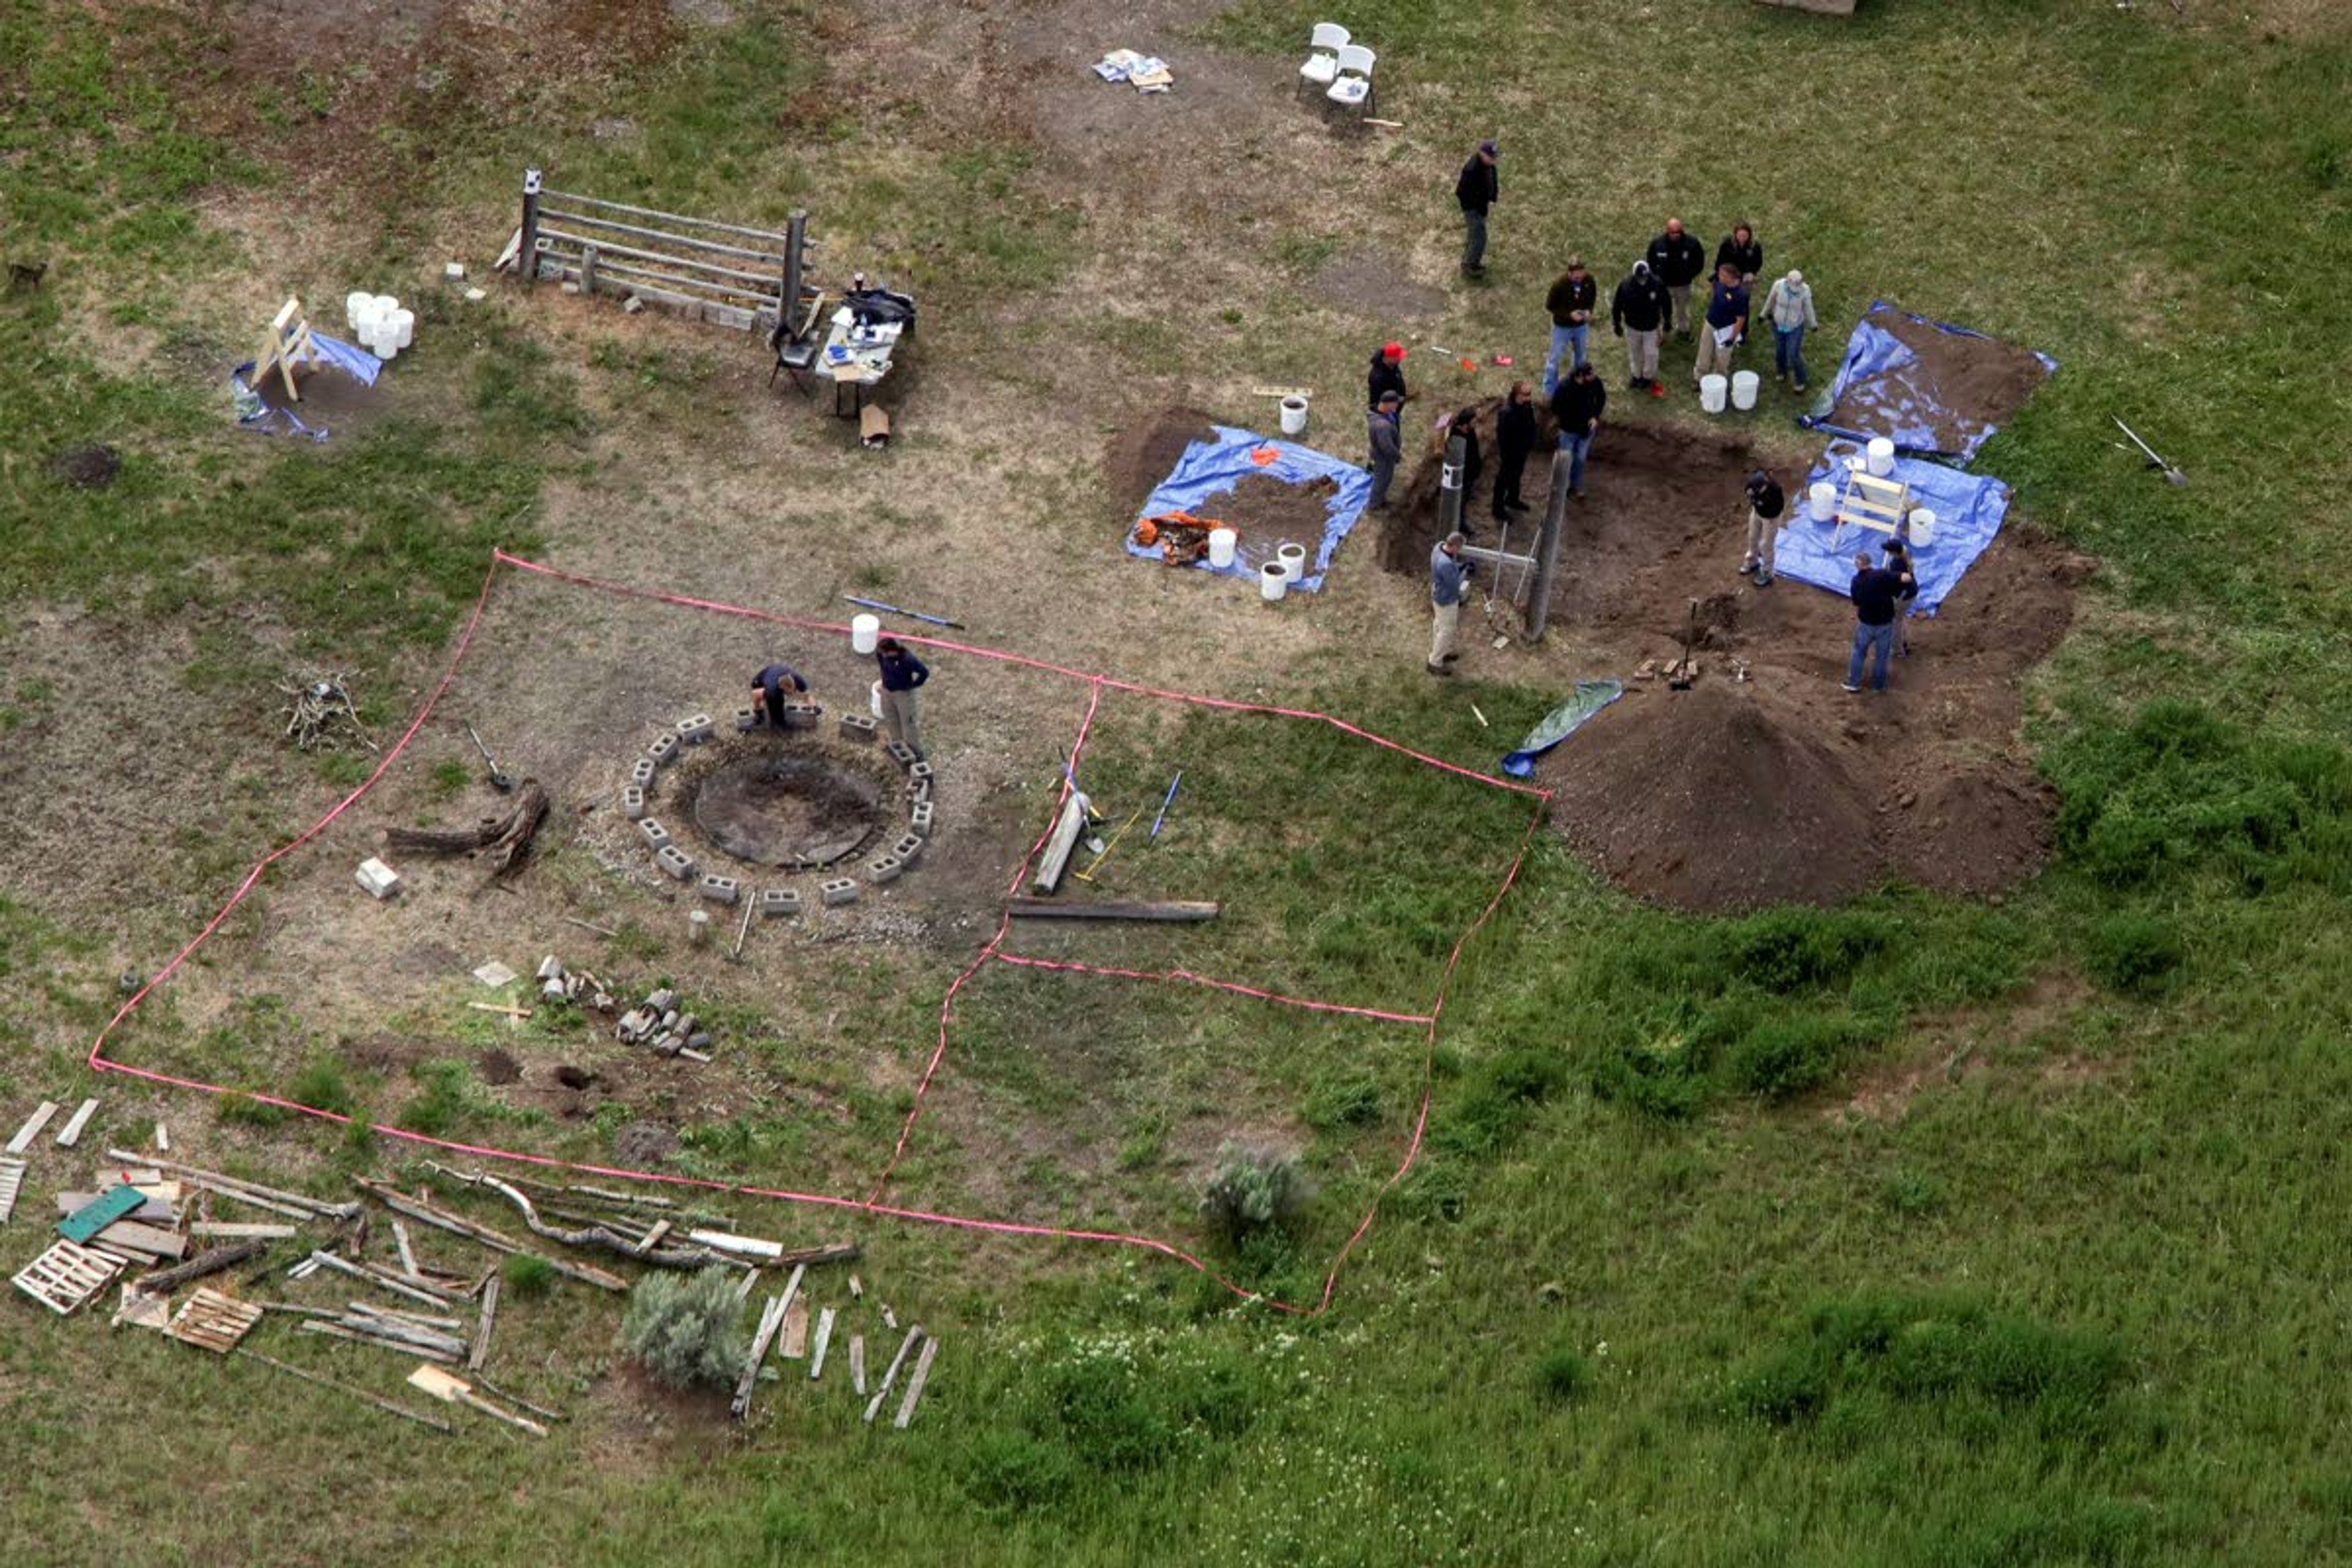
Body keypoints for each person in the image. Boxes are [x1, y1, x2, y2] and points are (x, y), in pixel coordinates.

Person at [1843, 550, 1910, 693]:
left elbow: (1856, 602)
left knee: (1859, 652)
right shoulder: (1882, 574)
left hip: (1866, 623)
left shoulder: (1856, 581)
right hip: (1885, 623)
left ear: (1858, 564)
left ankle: (1854, 683)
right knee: (1882, 655)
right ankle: (1879, 686)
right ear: (1870, 562)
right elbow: (1905, 578)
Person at [1611, 258, 1671, 396]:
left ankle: (1647, 377)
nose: (1642, 280)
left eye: (1645, 277)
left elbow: (1666, 303)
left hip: (1652, 327)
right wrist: (1617, 323)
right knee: (1635, 353)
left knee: (1651, 354)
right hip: (1632, 327)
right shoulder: (1625, 286)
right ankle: (1636, 376)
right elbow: (1617, 306)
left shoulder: (1657, 284)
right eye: (1640, 277)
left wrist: (1667, 320)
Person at [1548, 361, 1605, 499]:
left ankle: (1576, 486)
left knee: (1580, 459)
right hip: (1568, 431)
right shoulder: (1565, 387)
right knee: (1565, 459)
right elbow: (1555, 407)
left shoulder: (1594, 382)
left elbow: (1601, 398)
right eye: (1590, 375)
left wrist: (1595, 417)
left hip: (1586, 431)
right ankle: (1561, 486)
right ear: (1580, 376)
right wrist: (1569, 419)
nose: (1594, 377)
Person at [1646, 217, 1708, 339]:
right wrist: (1657, 279)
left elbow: (1699, 262)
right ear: (1667, 230)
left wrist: (1689, 275)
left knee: (1682, 310)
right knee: (1663, 311)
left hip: (1683, 286)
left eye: (1678, 232)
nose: (1676, 235)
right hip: (1664, 287)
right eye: (1672, 232)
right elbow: (1651, 262)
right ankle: (1663, 333)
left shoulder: (1692, 243)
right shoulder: (1657, 244)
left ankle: (1684, 330)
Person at [1542, 255, 1597, 392]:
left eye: (1581, 275)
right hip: (1562, 327)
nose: (1579, 279)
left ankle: (1578, 385)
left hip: (1581, 327)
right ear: (1570, 273)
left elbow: (1593, 297)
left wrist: (1589, 311)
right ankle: (1550, 390)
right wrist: (1569, 314)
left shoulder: (1589, 281)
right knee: (1554, 359)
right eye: (1576, 277)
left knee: (1581, 358)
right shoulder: (1559, 285)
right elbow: (1550, 306)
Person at [1761, 269, 1819, 391]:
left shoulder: (1805, 291)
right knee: (1780, 350)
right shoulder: (1778, 285)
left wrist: (1813, 324)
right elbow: (1770, 300)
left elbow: (1809, 309)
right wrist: (1763, 315)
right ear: (1787, 281)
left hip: (1795, 327)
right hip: (1778, 324)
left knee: (1793, 354)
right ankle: (1781, 371)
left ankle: (1801, 379)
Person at [1694, 263, 1749, 389]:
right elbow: (1716, 294)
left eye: (1723, 275)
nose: (1719, 276)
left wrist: (1732, 338)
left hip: (1725, 330)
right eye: (1719, 274)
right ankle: (1699, 378)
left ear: (1731, 277)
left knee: (1722, 358)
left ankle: (1719, 383)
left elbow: (1741, 319)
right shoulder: (1720, 284)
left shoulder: (1741, 295)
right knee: (1704, 352)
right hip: (1710, 323)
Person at [1428, 531, 1475, 675]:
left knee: (1439, 624)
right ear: (1454, 546)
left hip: (1437, 592)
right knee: (1447, 630)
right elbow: (1455, 585)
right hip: (1446, 600)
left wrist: (1461, 566)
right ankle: (1435, 663)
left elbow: (1451, 569)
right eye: (1459, 548)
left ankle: (1443, 652)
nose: (1459, 551)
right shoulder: (1445, 564)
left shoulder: (1439, 547)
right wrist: (1466, 571)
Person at [875, 636, 930, 756]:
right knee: (891, 719)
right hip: (887, 692)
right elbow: (881, 662)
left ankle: (916, 754)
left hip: (903, 694)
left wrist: (913, 685)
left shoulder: (908, 659)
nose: (883, 656)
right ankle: (898, 748)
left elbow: (924, 672)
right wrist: (885, 679)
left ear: (892, 651)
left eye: (885, 653)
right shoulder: (881, 654)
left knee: (908, 725)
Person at [1491, 381, 1537, 521]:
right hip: (1510, 454)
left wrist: (1530, 443)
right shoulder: (1506, 413)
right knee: (1503, 481)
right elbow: (1502, 437)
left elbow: (1531, 424)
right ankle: (1497, 509)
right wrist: (1506, 456)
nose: (1530, 397)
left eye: (1530, 394)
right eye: (1527, 394)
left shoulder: (1527, 406)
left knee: (1516, 477)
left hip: (1522, 451)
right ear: (1518, 395)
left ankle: (1512, 499)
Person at [1455, 141, 1499, 277]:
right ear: (1482, 154)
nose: (1494, 160)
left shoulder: (1488, 166)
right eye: (1491, 157)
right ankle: (1470, 266)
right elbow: (1461, 192)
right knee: (1479, 237)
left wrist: (1492, 196)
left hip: (1481, 207)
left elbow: (1492, 179)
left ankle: (1468, 260)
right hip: (1473, 209)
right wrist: (1473, 208)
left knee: (1474, 235)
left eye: (1495, 157)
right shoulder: (1471, 170)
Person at [1740, 467, 1785, 586]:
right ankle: (1752, 562)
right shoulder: (1753, 484)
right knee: (1752, 537)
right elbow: (1750, 494)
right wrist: (1756, 503)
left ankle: (1767, 572)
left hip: (1771, 517)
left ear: (1765, 486)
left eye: (1757, 491)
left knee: (1766, 545)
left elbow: (1775, 511)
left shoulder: (1775, 490)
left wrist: (1761, 503)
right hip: (1757, 512)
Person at [1366, 390, 1404, 509]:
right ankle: (1374, 505)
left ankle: (1380, 499)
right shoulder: (1382, 426)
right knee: (1382, 480)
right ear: (1388, 404)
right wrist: (1397, 456)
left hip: (1382, 455)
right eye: (1396, 403)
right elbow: (1386, 447)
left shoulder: (1383, 414)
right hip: (1384, 458)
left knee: (1383, 479)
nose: (1398, 405)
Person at [1884, 534, 1921, 653]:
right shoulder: (1905, 552)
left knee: (1896, 621)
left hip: (1905, 595)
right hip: (1912, 591)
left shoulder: (1896, 564)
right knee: (1900, 618)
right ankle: (1903, 642)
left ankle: (1898, 649)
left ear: (1894, 552)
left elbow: (1895, 585)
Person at [1448, 405, 1484, 524]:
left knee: (1466, 498)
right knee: (1461, 502)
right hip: (1464, 476)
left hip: (1472, 472)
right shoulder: (1456, 437)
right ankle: (1460, 523)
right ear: (1465, 424)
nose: (1475, 424)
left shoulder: (1470, 431)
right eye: (1473, 421)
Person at [750, 660, 809, 728]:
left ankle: (780, 720)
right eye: (788, 693)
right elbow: (755, 693)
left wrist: (814, 707)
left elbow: (808, 695)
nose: (791, 694)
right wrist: (758, 711)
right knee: (774, 700)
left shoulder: (798, 679)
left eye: (793, 690)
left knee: (778, 700)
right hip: (759, 681)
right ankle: (774, 720)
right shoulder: (772, 688)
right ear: (782, 687)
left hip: (774, 673)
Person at [1716, 222, 1763, 288]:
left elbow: (1758, 262)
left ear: (1749, 235)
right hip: (1730, 274)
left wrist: (1752, 272)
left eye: (1745, 236)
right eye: (1740, 235)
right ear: (1735, 234)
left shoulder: (1754, 247)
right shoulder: (1727, 245)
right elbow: (1720, 261)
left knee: (1743, 295)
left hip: (1746, 276)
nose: (1742, 238)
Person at [1366, 341, 1409, 410]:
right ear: (1389, 358)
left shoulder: (1393, 365)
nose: (1400, 359)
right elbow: (1376, 401)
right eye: (1397, 357)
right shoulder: (1377, 378)